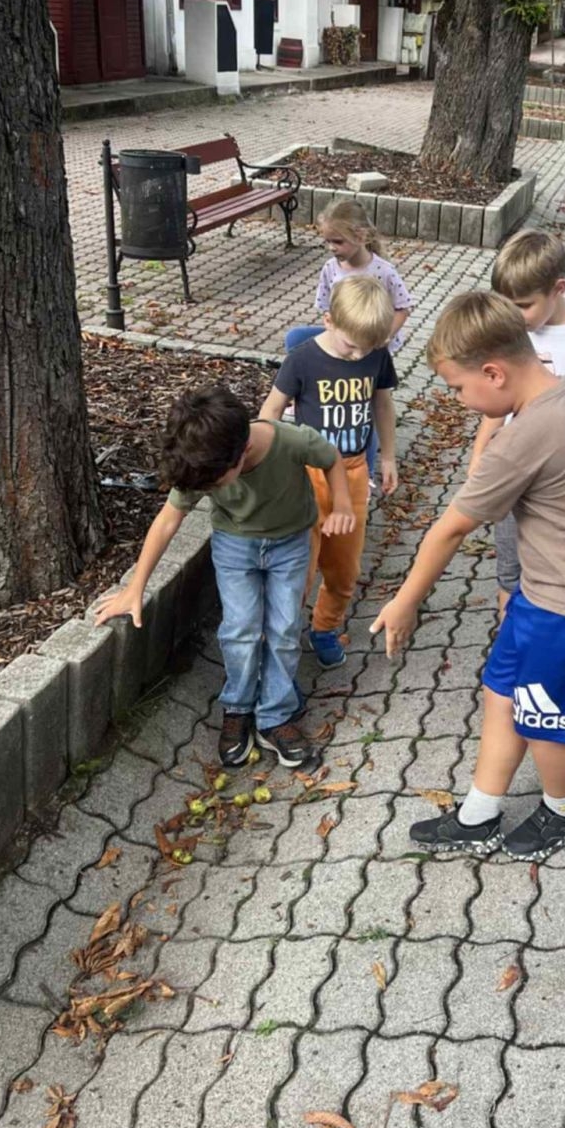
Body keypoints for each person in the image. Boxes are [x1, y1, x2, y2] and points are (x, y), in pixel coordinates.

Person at [371, 292, 565, 862]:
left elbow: (450, 530)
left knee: (545, 719)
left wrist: (405, 602)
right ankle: (480, 815)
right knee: (503, 691)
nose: (459, 400)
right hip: (542, 596)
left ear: (494, 373)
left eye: (457, 388)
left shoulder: (518, 441)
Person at [95, 384, 354, 769]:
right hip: (235, 547)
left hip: (290, 545)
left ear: (243, 450)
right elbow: (167, 521)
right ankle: (238, 707)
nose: (210, 489)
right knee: (240, 628)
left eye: (215, 485)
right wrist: (136, 587)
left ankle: (276, 715)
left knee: (284, 628)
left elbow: (330, 458)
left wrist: (343, 504)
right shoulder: (206, 459)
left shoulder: (289, 441)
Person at [469, 229, 565, 614]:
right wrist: (479, 458)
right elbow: (498, 408)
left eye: (523, 305)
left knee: (562, 567)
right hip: (516, 471)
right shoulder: (511, 335)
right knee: (510, 571)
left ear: (558, 289)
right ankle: (510, 635)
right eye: (505, 305)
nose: (513, 316)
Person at [261, 276, 398, 671]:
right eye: (352, 345)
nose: (359, 355)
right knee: (299, 566)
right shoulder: (302, 359)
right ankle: (281, 637)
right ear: (329, 321)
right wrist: (268, 465)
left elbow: (382, 404)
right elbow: (271, 411)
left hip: (353, 473)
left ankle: (325, 628)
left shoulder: (375, 355)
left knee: (344, 567)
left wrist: (388, 457)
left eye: (368, 347)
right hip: (307, 474)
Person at [285, 199, 413, 483]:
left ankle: (366, 470)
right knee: (295, 338)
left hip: (371, 346)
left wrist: (383, 336)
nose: (332, 247)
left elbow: (403, 307)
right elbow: (326, 308)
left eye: (338, 241)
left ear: (361, 236)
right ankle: (303, 393)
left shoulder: (383, 271)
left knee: (366, 408)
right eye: (327, 241)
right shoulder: (331, 268)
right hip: (342, 336)